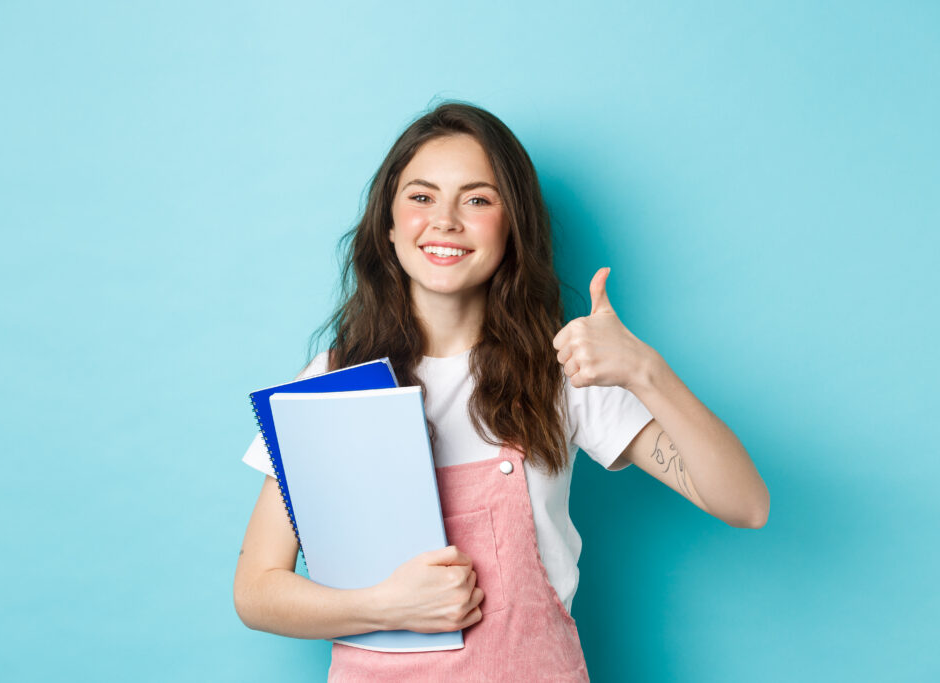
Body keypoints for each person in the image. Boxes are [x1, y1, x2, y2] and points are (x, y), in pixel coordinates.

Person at [233, 101, 770, 681]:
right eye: (421, 197)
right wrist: (387, 606)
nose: (445, 220)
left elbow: (745, 504)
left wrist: (646, 371)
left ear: (512, 226)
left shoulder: (563, 371)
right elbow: (256, 591)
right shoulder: (331, 384)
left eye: (478, 199)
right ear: (387, 226)